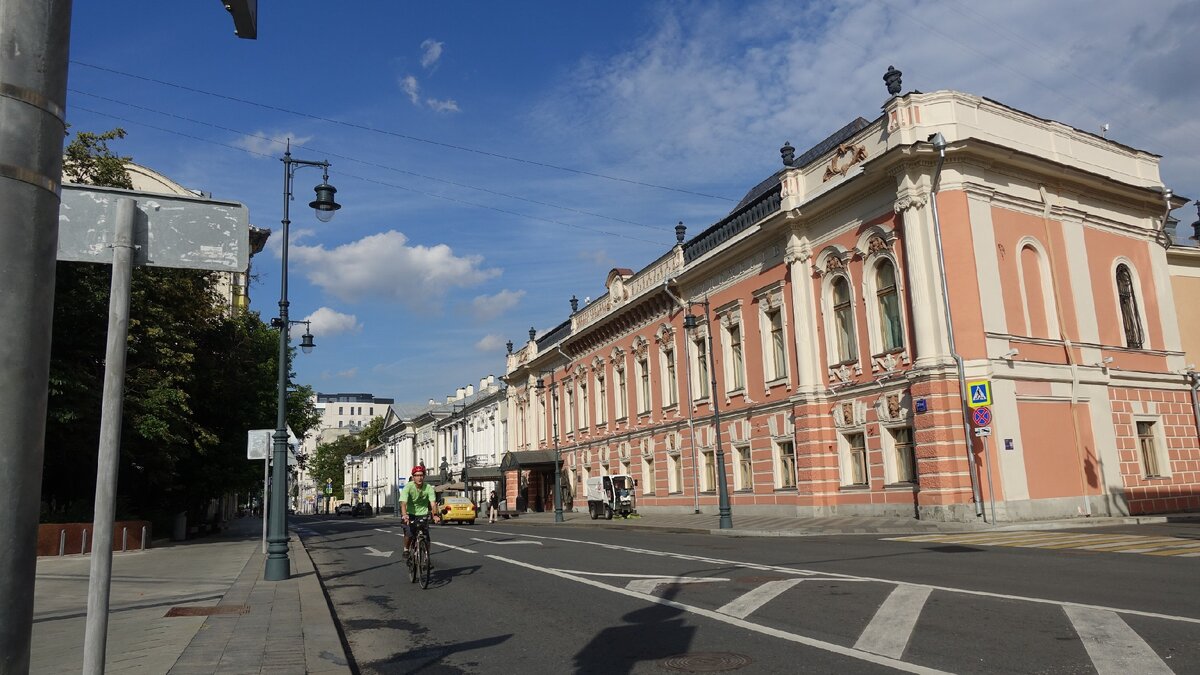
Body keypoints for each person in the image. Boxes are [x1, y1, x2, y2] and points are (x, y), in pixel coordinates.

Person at [399, 465, 441, 562]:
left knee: (426, 537)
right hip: (409, 514)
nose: (419, 477)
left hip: (423, 514)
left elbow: (433, 503)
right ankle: (406, 549)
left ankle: (427, 558)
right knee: (409, 533)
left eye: (421, 475)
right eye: (417, 475)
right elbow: (403, 503)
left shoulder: (428, 488)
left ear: (424, 476)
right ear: (413, 477)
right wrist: (405, 515)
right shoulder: (408, 487)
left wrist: (435, 515)